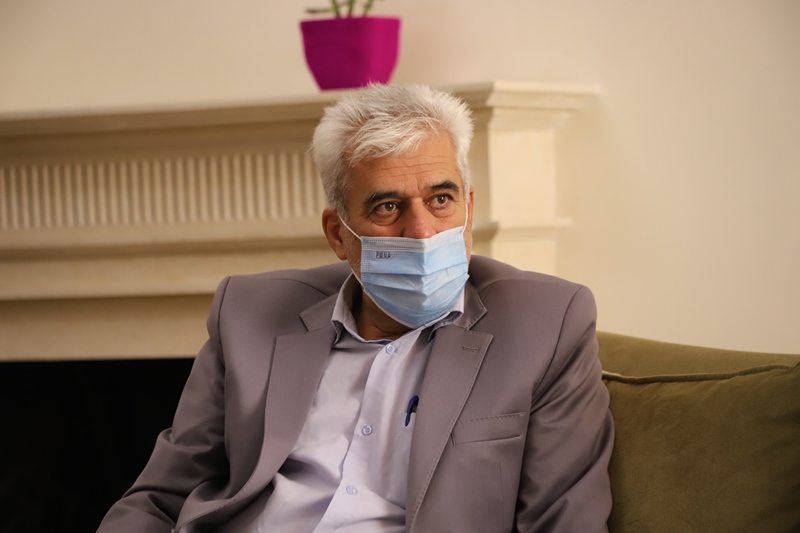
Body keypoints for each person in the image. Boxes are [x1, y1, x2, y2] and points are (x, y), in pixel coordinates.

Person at [97, 84, 614, 532]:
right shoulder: (247, 312)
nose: (422, 231)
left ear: (469, 208)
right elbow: (160, 497)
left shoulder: (548, 323)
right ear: (338, 235)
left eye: (441, 199)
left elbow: (567, 521)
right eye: (387, 206)